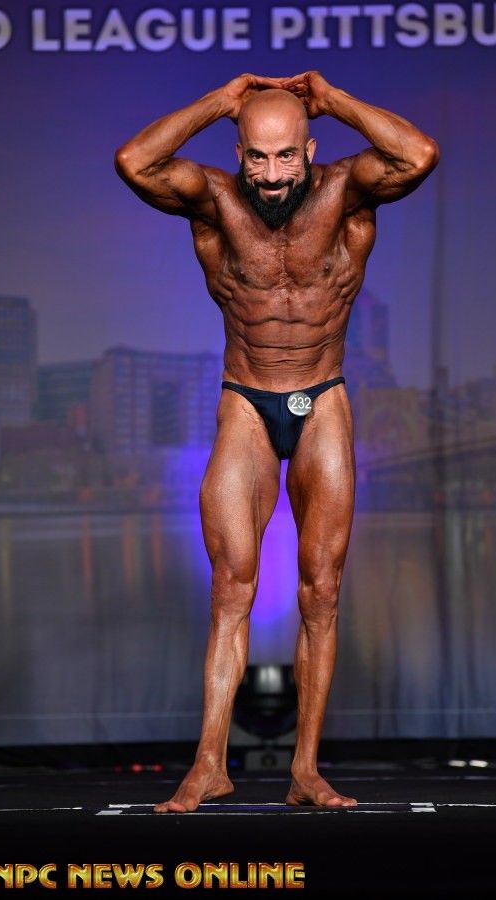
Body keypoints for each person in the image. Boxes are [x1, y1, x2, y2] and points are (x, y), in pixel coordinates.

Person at [114, 71, 439, 812]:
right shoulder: (214, 200)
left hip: (323, 399)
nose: (270, 174)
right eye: (256, 157)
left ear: (309, 149)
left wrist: (334, 98)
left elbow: (419, 154)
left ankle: (305, 771)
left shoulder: (347, 192)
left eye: (286, 155)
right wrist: (220, 101)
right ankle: (208, 765)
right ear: (238, 153)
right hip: (247, 402)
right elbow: (134, 162)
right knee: (233, 589)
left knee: (321, 591)